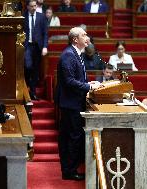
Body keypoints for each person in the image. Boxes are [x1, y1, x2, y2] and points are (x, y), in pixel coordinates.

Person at [55, 27, 101, 181]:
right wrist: (88, 87)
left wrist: (88, 83)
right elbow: (69, 81)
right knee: (72, 136)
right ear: (75, 39)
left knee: (74, 136)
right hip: (70, 104)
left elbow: (76, 78)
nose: (87, 36)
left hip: (74, 101)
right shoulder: (68, 55)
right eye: (84, 34)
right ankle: (69, 171)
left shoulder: (76, 53)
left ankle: (70, 168)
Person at [24, 0, 48, 100]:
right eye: (32, 6)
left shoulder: (41, 16)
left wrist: (45, 46)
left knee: (35, 70)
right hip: (27, 45)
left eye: (35, 6)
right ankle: (27, 88)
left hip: (38, 46)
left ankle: (33, 92)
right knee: (28, 66)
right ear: (27, 7)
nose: (34, 8)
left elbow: (45, 33)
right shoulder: (23, 16)